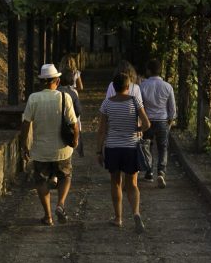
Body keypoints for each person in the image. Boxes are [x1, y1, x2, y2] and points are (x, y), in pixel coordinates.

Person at [21, 64, 79, 225]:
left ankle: (48, 216)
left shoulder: (34, 98)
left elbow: (26, 124)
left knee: (40, 181)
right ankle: (60, 204)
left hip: (41, 151)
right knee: (66, 176)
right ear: (57, 81)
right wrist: (75, 140)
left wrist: (24, 145)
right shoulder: (64, 97)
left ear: (41, 82)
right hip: (62, 150)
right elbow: (74, 124)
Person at [97, 72, 151, 233]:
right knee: (132, 184)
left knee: (116, 183)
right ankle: (135, 213)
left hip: (113, 147)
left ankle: (118, 218)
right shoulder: (135, 101)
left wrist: (98, 151)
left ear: (113, 87)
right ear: (128, 87)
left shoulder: (107, 103)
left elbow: (101, 130)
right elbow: (147, 124)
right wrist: (137, 129)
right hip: (131, 147)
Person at [139, 59, 176, 187]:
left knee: (146, 146)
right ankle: (161, 171)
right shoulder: (167, 86)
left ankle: (149, 171)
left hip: (147, 121)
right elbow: (172, 109)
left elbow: (140, 106)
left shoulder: (142, 86)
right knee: (163, 148)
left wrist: (140, 121)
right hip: (162, 121)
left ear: (149, 70)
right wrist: (169, 122)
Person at [58, 55, 84, 158]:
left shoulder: (59, 72)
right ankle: (76, 140)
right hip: (73, 94)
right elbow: (81, 87)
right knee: (74, 117)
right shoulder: (76, 72)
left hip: (61, 94)